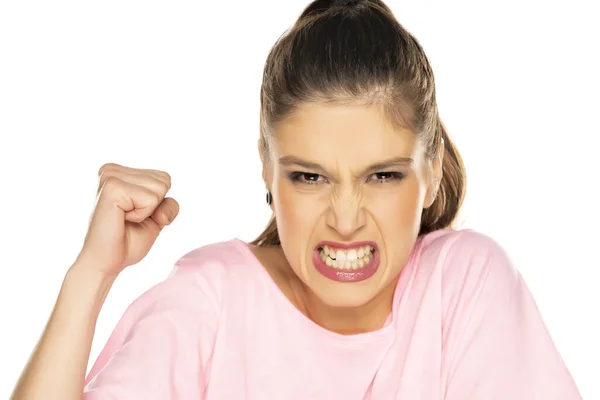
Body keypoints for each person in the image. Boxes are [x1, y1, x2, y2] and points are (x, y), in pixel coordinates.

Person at [11, 0, 581, 399]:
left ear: (430, 173)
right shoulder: (213, 299)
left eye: (382, 176)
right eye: (310, 177)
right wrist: (90, 274)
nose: (347, 220)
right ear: (267, 167)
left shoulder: (463, 284)